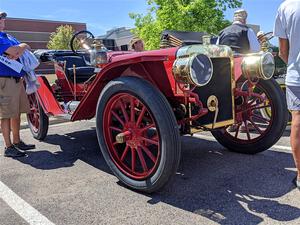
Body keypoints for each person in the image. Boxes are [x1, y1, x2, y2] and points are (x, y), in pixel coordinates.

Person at [0, 11, 35, 158]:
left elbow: (17, 53)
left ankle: (17, 141)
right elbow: (14, 51)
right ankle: (8, 147)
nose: (2, 20)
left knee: (17, 112)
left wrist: (21, 48)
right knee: (6, 114)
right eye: (0, 19)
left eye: (2, 18)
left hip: (17, 79)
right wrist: (22, 47)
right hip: (4, 79)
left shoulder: (8, 36)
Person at [274, 0, 300, 189]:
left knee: (298, 120)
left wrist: (292, 62)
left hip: (297, 73)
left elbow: (283, 51)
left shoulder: (286, 6)